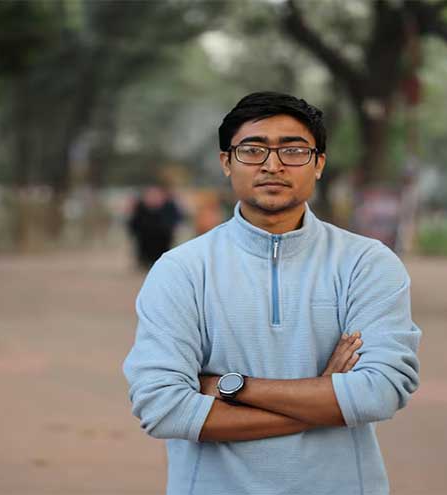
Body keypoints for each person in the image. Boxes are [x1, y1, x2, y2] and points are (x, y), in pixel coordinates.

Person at [123, 92, 421, 494]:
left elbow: (380, 392)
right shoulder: (182, 270)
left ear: (319, 163)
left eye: (293, 150)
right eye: (253, 150)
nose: (272, 165)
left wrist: (230, 386)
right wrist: (326, 400)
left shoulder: (366, 264)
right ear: (226, 162)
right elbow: (163, 409)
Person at [128, 185, 184, 269]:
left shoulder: (169, 205)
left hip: (163, 238)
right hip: (145, 239)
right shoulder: (141, 207)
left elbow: (175, 218)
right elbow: (134, 221)